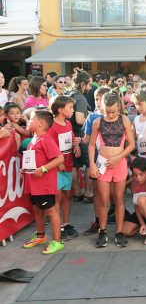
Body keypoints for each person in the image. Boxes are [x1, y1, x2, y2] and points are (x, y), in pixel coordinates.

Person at [89, 92, 135, 248]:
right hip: (102, 164)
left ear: (119, 107)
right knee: (103, 199)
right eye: (107, 111)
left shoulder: (124, 120)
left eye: (113, 111)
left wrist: (118, 158)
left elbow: (131, 145)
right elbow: (90, 145)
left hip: (119, 164)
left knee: (119, 198)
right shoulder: (97, 122)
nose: (109, 115)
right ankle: (102, 231)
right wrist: (92, 165)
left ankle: (119, 231)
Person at [21, 110, 65, 255]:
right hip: (33, 185)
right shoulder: (33, 139)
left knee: (51, 211)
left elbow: (59, 158)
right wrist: (25, 169)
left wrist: (44, 169)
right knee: (37, 210)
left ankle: (58, 241)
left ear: (40, 123)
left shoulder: (45, 139)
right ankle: (40, 236)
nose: (28, 121)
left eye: (31, 119)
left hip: (44, 186)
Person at [48, 96, 81, 241]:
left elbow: (71, 139)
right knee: (58, 197)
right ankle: (58, 225)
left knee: (67, 195)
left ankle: (66, 223)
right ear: (60, 110)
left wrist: (76, 145)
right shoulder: (51, 126)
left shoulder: (68, 124)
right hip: (57, 167)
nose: (73, 110)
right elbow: (49, 146)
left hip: (68, 165)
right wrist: (57, 161)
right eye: (70, 108)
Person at [81, 86, 111, 235]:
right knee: (98, 193)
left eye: (101, 99)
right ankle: (98, 220)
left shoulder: (119, 116)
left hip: (114, 161)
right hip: (97, 162)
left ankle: (117, 218)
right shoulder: (92, 117)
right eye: (96, 99)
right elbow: (86, 140)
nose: (98, 102)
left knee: (115, 194)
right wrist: (77, 141)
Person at [121, 158, 146, 244]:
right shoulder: (134, 185)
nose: (138, 178)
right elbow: (136, 205)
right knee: (125, 231)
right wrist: (142, 223)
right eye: (135, 175)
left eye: (141, 175)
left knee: (142, 199)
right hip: (142, 210)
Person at [68, 68, 92, 202]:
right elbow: (79, 119)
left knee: (74, 165)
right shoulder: (80, 97)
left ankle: (77, 193)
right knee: (89, 164)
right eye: (89, 84)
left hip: (69, 134)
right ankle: (88, 194)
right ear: (83, 83)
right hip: (80, 134)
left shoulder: (70, 93)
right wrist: (92, 122)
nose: (90, 87)